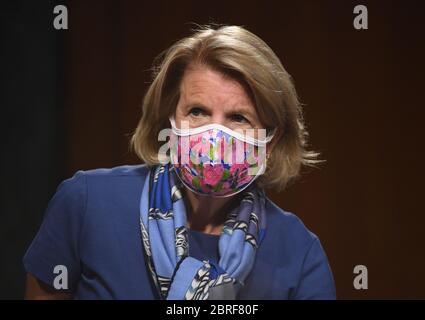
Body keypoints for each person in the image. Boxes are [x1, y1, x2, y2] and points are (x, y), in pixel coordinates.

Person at [24, 25, 336, 299]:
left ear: (270, 141)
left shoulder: (299, 255)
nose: (214, 135)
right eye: (197, 111)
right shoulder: (87, 204)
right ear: (171, 119)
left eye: (238, 117)